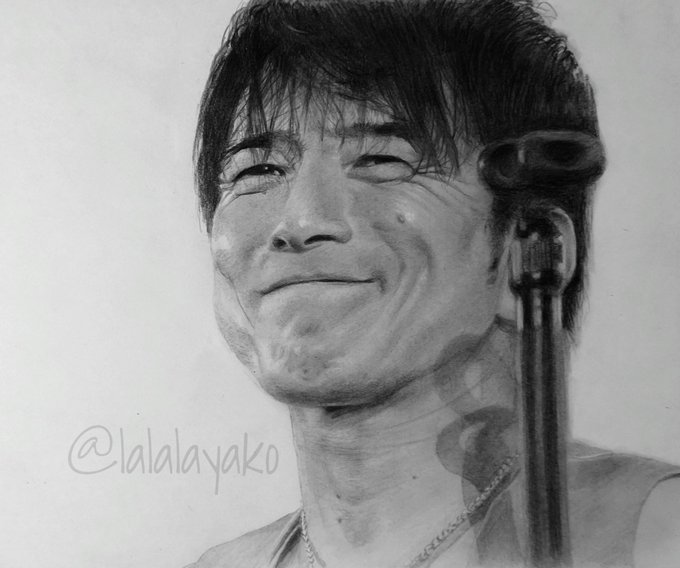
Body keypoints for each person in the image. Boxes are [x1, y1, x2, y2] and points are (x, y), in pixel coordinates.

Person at [187, 1, 680, 566]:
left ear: (529, 248)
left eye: (381, 160)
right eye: (258, 170)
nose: (299, 223)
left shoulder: (651, 532)